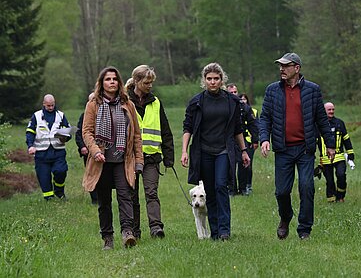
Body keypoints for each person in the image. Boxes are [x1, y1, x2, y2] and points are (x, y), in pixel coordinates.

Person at [260, 52, 335, 241]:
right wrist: (264, 139)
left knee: (306, 187)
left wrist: (330, 145)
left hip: (305, 149)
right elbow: (265, 118)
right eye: (280, 66)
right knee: (282, 191)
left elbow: (322, 120)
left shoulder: (312, 90)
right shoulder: (272, 90)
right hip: (283, 149)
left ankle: (304, 229)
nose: (281, 69)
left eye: (286, 66)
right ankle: (285, 218)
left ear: (297, 68)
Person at [181, 62, 250, 241]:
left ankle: (225, 229)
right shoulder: (197, 102)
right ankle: (215, 231)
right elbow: (187, 127)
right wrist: (184, 151)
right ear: (204, 80)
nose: (212, 82)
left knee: (221, 186)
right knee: (210, 190)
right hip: (203, 151)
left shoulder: (232, 101)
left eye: (216, 78)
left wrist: (243, 150)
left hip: (224, 150)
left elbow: (237, 128)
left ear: (222, 80)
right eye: (209, 79)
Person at [82, 66, 144, 250]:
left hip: (123, 160)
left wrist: (139, 160)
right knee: (104, 201)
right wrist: (95, 151)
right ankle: (108, 238)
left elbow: (136, 136)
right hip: (101, 161)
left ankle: (127, 232)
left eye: (114, 79)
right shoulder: (93, 104)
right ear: (101, 83)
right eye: (107, 79)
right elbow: (87, 132)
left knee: (126, 197)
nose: (111, 82)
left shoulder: (128, 104)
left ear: (119, 83)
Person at [126, 65, 174, 239]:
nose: (150, 85)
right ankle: (134, 230)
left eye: (151, 82)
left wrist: (169, 157)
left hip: (152, 157)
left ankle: (156, 228)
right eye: (147, 82)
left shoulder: (156, 102)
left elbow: (165, 129)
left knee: (151, 193)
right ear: (137, 81)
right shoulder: (125, 101)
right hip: (129, 157)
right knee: (131, 195)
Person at [26, 94, 71, 201]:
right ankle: (49, 198)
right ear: (44, 104)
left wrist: (66, 137)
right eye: (48, 106)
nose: (51, 108)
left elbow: (68, 130)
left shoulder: (61, 115)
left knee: (61, 171)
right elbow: (30, 132)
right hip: (41, 153)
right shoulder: (36, 116)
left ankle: (59, 192)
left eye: (52, 105)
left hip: (58, 152)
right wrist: (30, 146)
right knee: (44, 177)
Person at [317, 102, 355, 203]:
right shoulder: (318, 125)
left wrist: (350, 153)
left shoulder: (339, 123)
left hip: (339, 156)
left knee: (341, 175)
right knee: (329, 181)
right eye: (329, 110)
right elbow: (313, 141)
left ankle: (340, 196)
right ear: (324, 111)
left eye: (333, 109)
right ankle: (331, 199)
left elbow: (346, 139)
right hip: (325, 158)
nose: (331, 111)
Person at [226, 83, 258, 196]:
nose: (234, 95)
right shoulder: (224, 106)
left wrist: (255, 140)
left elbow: (253, 124)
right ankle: (231, 189)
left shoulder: (244, 107)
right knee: (229, 164)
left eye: (235, 92)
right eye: (231, 93)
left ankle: (243, 188)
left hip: (242, 139)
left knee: (244, 164)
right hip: (228, 139)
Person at [75, 92, 98, 205]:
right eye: (91, 100)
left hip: (100, 150)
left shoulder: (103, 113)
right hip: (88, 151)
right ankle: (94, 199)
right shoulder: (83, 116)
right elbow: (79, 133)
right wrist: (82, 147)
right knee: (91, 174)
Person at [239, 93, 259, 195]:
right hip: (238, 140)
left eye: (244, 99)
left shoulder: (253, 111)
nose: (243, 101)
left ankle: (248, 185)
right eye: (240, 99)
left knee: (247, 164)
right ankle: (236, 188)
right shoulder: (236, 109)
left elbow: (255, 126)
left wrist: (255, 140)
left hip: (249, 142)